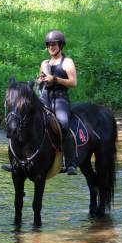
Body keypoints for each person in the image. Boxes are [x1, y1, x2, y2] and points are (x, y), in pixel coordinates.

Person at [38, 30, 78, 175]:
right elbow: (41, 82)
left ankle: (71, 163)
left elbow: (73, 83)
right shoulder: (44, 63)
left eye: (54, 44)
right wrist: (40, 81)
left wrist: (55, 79)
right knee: (29, 119)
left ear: (60, 45)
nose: (51, 47)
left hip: (60, 98)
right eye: (49, 45)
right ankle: (21, 160)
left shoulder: (67, 62)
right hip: (45, 97)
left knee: (63, 124)